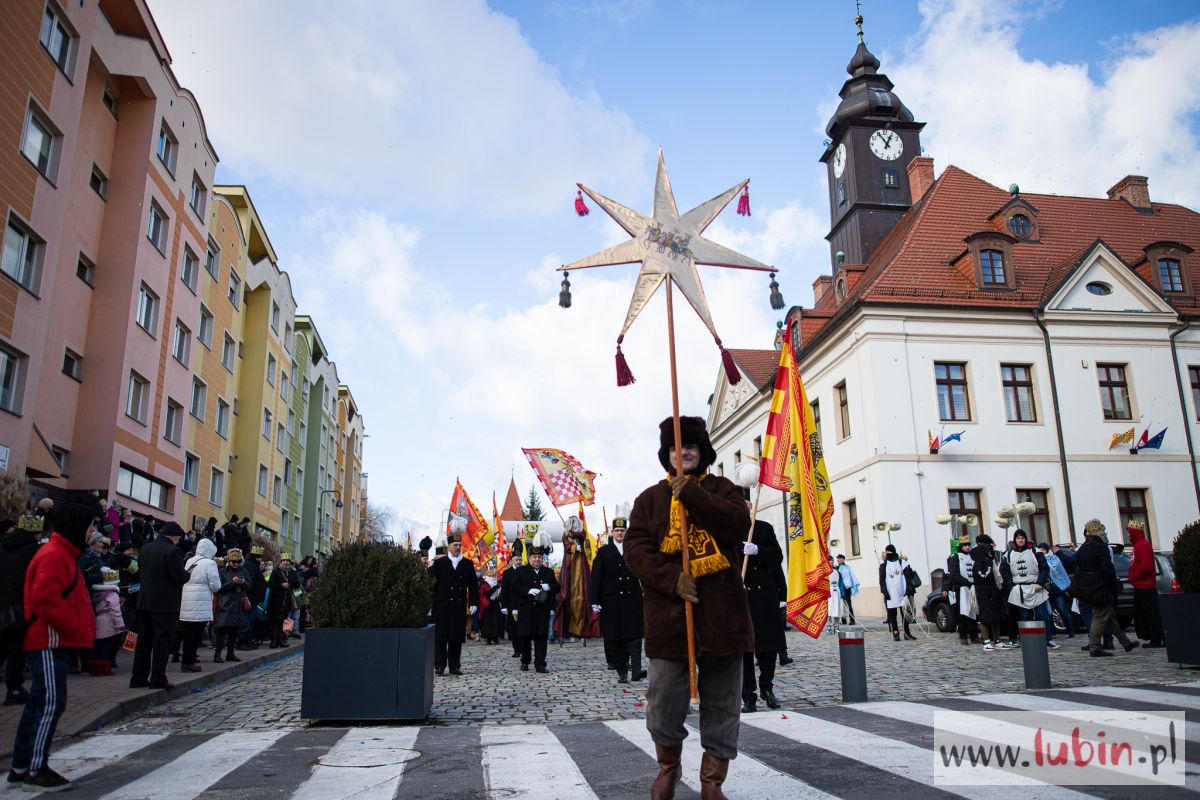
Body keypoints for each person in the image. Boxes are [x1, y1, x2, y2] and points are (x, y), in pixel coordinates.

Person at [624, 416, 752, 800]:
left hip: (722, 616)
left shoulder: (724, 489)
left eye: (692, 445)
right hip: (668, 618)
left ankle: (712, 782)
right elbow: (635, 549)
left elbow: (736, 524)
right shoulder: (649, 499)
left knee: (724, 702)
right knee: (662, 701)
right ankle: (668, 767)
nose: (684, 452)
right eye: (676, 447)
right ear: (667, 453)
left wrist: (693, 496)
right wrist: (670, 577)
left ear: (704, 450)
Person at [7, 503, 97, 792]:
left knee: (38, 703)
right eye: (90, 525)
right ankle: (35, 768)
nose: (93, 531)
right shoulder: (54, 554)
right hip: (49, 639)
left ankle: (21, 766)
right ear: (76, 526)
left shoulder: (62, 553)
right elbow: (45, 599)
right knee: (50, 703)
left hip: (52, 639)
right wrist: (74, 626)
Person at [130, 522, 189, 690]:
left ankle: (138, 678)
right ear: (174, 536)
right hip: (164, 604)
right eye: (178, 538)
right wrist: (187, 574)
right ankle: (157, 678)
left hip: (144, 602)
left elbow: (139, 573)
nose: (178, 541)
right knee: (162, 641)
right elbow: (178, 576)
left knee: (143, 642)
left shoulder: (146, 549)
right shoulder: (172, 551)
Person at [590, 506, 645, 684]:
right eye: (617, 530)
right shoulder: (604, 552)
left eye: (623, 530)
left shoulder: (634, 549)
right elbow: (596, 577)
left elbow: (643, 571)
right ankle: (622, 671)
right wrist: (594, 600)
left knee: (635, 636)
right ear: (611, 532)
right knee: (616, 638)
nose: (620, 533)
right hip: (611, 600)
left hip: (632, 599)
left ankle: (636, 669)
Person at [739, 506, 785, 712]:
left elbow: (777, 556)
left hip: (764, 595)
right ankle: (748, 696)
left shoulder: (764, 528)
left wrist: (758, 550)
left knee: (768, 647)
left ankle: (767, 688)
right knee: (744, 650)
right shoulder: (727, 531)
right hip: (741, 597)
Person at [1071, 519, 1139, 657]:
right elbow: (1107, 568)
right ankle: (1094, 646)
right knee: (1100, 615)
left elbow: (1074, 561)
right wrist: (1112, 582)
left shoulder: (1085, 547)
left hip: (1089, 587)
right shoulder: (1100, 547)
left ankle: (1126, 643)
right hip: (1100, 586)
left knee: (1109, 616)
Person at [1, 487, 40, 707]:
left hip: (1, 603)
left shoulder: (2, 546)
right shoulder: (33, 551)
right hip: (20, 605)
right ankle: (14, 689)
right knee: (17, 650)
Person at [427, 529, 479, 675]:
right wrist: (428, 604)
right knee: (441, 637)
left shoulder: (467, 564)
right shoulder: (439, 563)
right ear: (449, 547)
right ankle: (439, 665)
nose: (457, 547)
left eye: (459, 545)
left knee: (456, 637)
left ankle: (455, 665)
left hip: (458, 604)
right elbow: (430, 583)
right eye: (455, 545)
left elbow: (473, 584)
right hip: (441, 605)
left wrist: (474, 602)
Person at [1001, 530, 1057, 649]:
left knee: (1042, 615)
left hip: (1035, 587)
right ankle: (1028, 640)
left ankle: (1047, 639)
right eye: (1018, 538)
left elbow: (1044, 568)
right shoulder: (1008, 555)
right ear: (1015, 540)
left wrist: (1040, 583)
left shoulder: (1035, 552)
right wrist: (1012, 587)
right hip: (1019, 589)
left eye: (1022, 538)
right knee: (1024, 616)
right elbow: (1005, 574)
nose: (1021, 540)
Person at [512, 533, 559, 673]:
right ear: (529, 558)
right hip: (526, 609)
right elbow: (514, 588)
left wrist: (549, 587)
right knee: (525, 637)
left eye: (539, 557)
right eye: (534, 557)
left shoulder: (548, 572)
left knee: (541, 638)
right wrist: (528, 590)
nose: (537, 559)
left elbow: (557, 587)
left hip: (542, 610)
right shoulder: (521, 571)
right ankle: (525, 661)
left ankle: (540, 664)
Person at [555, 517, 600, 641]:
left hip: (581, 568)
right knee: (567, 597)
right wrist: (573, 547)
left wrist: (574, 535)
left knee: (582, 598)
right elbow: (567, 545)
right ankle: (569, 631)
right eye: (572, 523)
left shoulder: (580, 535)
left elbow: (582, 535)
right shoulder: (565, 536)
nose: (574, 525)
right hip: (570, 569)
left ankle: (581, 630)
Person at [179, 538, 221, 671]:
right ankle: (188, 661)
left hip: (187, 601)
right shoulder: (210, 563)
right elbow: (216, 586)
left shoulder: (190, 561)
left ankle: (186, 658)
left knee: (188, 633)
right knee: (196, 633)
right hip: (201, 601)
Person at [1126, 522, 1164, 648]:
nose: (1128, 535)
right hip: (1141, 586)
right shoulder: (1139, 545)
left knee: (1150, 614)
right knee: (1144, 614)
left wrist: (1133, 576)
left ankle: (1156, 639)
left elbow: (1146, 567)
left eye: (1130, 532)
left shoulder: (1143, 546)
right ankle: (1153, 637)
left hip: (1145, 587)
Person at [970, 534, 1008, 650]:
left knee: (996, 615)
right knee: (984, 616)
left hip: (993, 590)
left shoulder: (991, 560)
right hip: (982, 591)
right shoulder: (977, 562)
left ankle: (997, 639)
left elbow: (997, 576)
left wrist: (999, 587)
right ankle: (986, 640)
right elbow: (981, 576)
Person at [213, 549, 249, 663]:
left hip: (238, 605)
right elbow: (219, 588)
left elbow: (250, 586)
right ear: (229, 561)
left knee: (234, 631)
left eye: (238, 561)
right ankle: (217, 655)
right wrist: (232, 583)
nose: (236, 564)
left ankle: (230, 654)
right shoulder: (222, 572)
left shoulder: (243, 571)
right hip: (225, 604)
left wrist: (243, 583)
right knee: (221, 631)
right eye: (234, 562)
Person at [945, 536, 980, 645]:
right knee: (963, 613)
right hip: (962, 589)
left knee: (973, 611)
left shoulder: (973, 557)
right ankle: (963, 635)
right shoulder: (956, 557)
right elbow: (953, 574)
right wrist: (965, 582)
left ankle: (974, 635)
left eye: (969, 545)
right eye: (965, 545)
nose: (967, 547)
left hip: (973, 588)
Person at [90, 568, 125, 675]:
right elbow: (115, 611)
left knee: (98, 645)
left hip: (99, 619)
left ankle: (95, 667)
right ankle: (104, 667)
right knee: (107, 646)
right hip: (109, 622)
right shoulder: (113, 595)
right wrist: (121, 625)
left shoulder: (98, 594)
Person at [879, 544, 916, 641]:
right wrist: (884, 591)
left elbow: (908, 576)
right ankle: (895, 632)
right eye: (887, 552)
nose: (888, 554)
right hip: (891, 592)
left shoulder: (902, 562)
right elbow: (882, 580)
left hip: (902, 591)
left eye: (890, 552)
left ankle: (907, 632)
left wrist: (908, 589)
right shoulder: (883, 565)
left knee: (905, 613)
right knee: (892, 614)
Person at [1037, 542, 1074, 638]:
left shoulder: (1054, 559)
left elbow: (1058, 571)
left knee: (1062, 609)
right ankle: (1052, 632)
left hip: (1057, 588)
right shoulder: (1037, 560)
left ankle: (1070, 630)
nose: (1042, 552)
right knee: (1048, 611)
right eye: (1040, 550)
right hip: (1045, 589)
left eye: (1043, 550)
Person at [266, 555, 296, 648]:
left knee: (281, 621)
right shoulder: (276, 571)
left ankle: (280, 640)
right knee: (275, 621)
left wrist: (294, 575)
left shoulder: (291, 572)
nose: (286, 562)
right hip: (276, 601)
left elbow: (296, 585)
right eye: (284, 561)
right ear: (281, 562)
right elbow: (270, 584)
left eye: (288, 561)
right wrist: (281, 585)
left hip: (286, 601)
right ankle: (273, 642)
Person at [501, 544, 523, 658]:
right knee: (513, 628)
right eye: (516, 559)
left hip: (523, 604)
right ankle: (516, 649)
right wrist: (503, 605)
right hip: (511, 604)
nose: (518, 561)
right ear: (512, 561)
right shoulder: (507, 573)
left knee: (523, 627)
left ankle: (524, 648)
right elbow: (504, 590)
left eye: (520, 559)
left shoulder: (526, 571)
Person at [478, 568, 504, 644]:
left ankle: (496, 637)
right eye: (494, 574)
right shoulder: (485, 583)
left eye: (496, 574)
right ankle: (488, 638)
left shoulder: (496, 583)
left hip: (495, 603)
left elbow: (498, 594)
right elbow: (486, 594)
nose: (495, 575)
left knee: (497, 621)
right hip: (488, 605)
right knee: (488, 622)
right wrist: (495, 587)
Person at [833, 554, 859, 625]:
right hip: (838, 588)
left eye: (840, 558)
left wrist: (848, 586)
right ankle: (843, 620)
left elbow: (850, 577)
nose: (838, 560)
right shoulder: (836, 568)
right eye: (837, 558)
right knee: (840, 604)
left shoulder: (847, 568)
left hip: (846, 588)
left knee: (848, 604)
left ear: (843, 559)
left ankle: (852, 620)